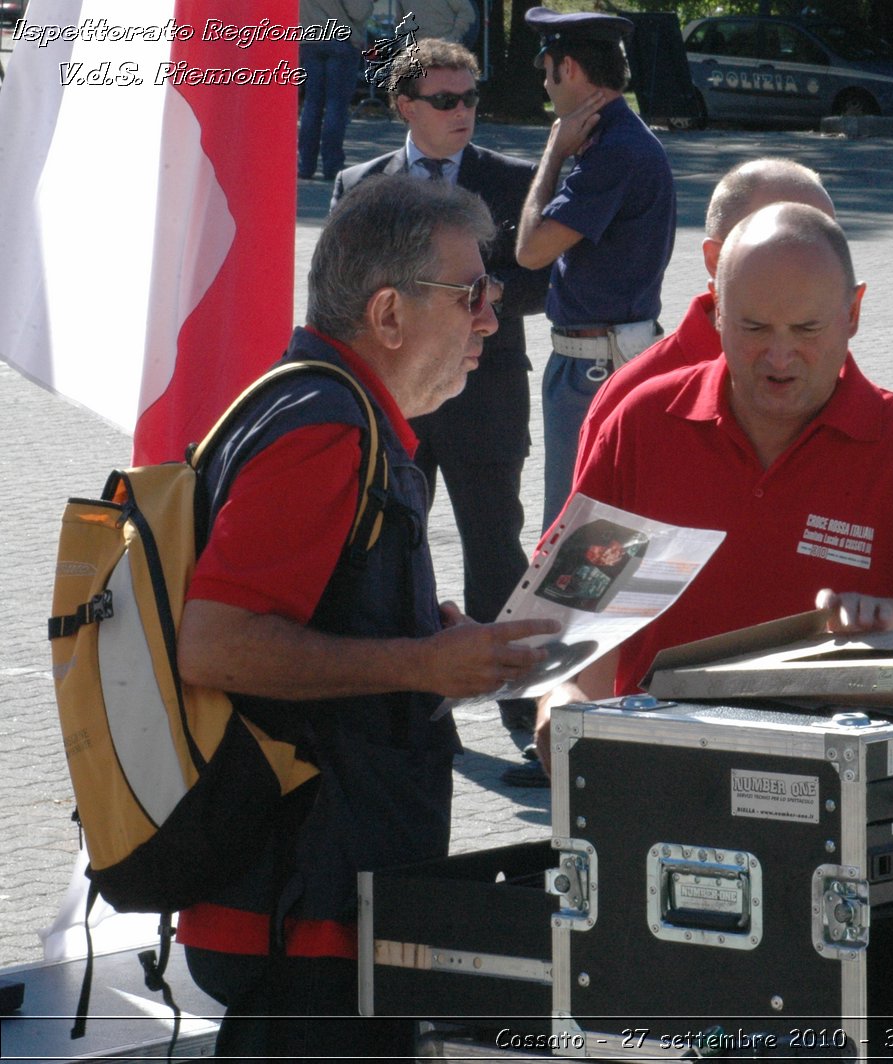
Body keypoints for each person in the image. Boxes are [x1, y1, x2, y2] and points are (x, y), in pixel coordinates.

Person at [174, 176, 560, 1060]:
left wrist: (427, 636)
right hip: (300, 910)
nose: (490, 322)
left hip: (309, 895)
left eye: (492, 296)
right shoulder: (327, 426)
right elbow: (217, 641)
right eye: (471, 297)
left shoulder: (326, 406)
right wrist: (422, 664)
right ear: (389, 313)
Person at [532, 202, 893, 769]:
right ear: (717, 312)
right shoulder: (646, 422)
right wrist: (561, 698)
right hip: (663, 770)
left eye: (806, 329)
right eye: (754, 328)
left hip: (843, 787)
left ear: (854, 313)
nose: (779, 357)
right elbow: (577, 601)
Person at [331, 38, 551, 767]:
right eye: (446, 100)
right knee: (395, 553)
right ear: (405, 106)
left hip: (487, 398)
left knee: (497, 554)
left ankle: (526, 715)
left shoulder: (512, 179)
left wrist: (468, 298)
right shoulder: (360, 184)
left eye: (472, 98)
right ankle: (414, 707)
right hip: (398, 401)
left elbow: (543, 282)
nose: (464, 113)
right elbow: (344, 293)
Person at [515, 7, 676, 533]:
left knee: (573, 535)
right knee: (597, 531)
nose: (545, 83)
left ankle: (559, 622)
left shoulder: (611, 149)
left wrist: (552, 153)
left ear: (571, 69)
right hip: (604, 359)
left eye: (547, 70)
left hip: (595, 369)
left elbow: (531, 249)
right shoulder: (615, 137)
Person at [574, 157, 836, 474]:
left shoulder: (856, 402)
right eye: (782, 244)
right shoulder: (633, 400)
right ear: (715, 259)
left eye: (830, 243)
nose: (816, 264)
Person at [297, 0, 373, 181]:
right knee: (336, 105)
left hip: (310, 39)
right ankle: (332, 164)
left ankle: (305, 164)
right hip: (341, 39)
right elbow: (359, 11)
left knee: (312, 103)